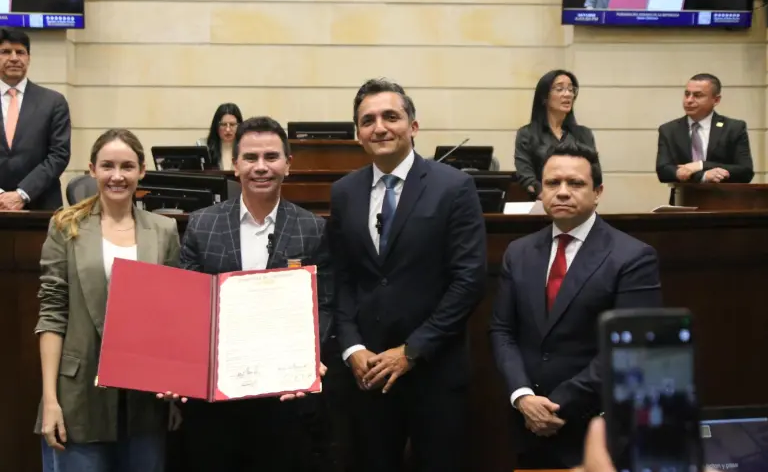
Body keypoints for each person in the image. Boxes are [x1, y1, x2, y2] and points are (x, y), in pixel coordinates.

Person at [329, 78, 487, 472]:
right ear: (359, 135)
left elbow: (468, 280)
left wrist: (411, 351)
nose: (379, 127)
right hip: (368, 374)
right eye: (368, 120)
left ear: (413, 126)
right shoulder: (345, 192)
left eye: (390, 116)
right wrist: (352, 348)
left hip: (434, 370)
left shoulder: (454, 187)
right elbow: (342, 278)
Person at [490, 141, 662, 469]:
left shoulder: (632, 257)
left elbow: (630, 348)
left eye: (576, 183)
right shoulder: (519, 252)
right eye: (553, 183)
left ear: (597, 192)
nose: (563, 192)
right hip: (527, 423)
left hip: (594, 425)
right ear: (540, 191)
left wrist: (553, 405)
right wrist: (522, 396)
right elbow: (502, 330)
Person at [177, 115, 334, 472]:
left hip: (284, 398)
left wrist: (309, 358)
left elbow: (324, 303)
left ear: (288, 165)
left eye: (271, 157)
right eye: (250, 158)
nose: (260, 167)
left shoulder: (313, 228)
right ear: (235, 166)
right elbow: (189, 305)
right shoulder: (202, 224)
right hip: (216, 401)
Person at [34, 128, 181, 472]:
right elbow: (52, 315)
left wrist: (176, 384)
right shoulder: (66, 227)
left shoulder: (163, 230)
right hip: (78, 396)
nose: (117, 176)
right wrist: (50, 400)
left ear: (142, 171)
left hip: (144, 400)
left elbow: (173, 316)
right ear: (92, 170)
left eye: (127, 166)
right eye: (108, 166)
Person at [0, 28, 70, 210]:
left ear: (28, 58)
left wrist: (22, 194)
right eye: (6, 52)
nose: (14, 58)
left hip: (41, 206)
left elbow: (59, 155)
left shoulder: (53, 102)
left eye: (20, 52)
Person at [656, 73, 753, 192]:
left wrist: (702, 165)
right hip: (684, 201)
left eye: (697, 95)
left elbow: (745, 171)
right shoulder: (669, 130)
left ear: (716, 100)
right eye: (687, 94)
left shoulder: (733, 128)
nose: (689, 100)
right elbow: (663, 171)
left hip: (725, 202)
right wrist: (703, 176)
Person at [514, 70, 596, 200]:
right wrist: (553, 199)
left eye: (571, 89)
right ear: (544, 97)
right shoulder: (527, 134)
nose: (568, 94)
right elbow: (527, 178)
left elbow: (594, 175)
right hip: (542, 205)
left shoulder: (584, 134)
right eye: (560, 89)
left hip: (578, 204)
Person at [199, 102, 243, 169]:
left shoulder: (246, 147)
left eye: (232, 124)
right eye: (223, 124)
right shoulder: (203, 146)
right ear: (216, 126)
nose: (228, 129)